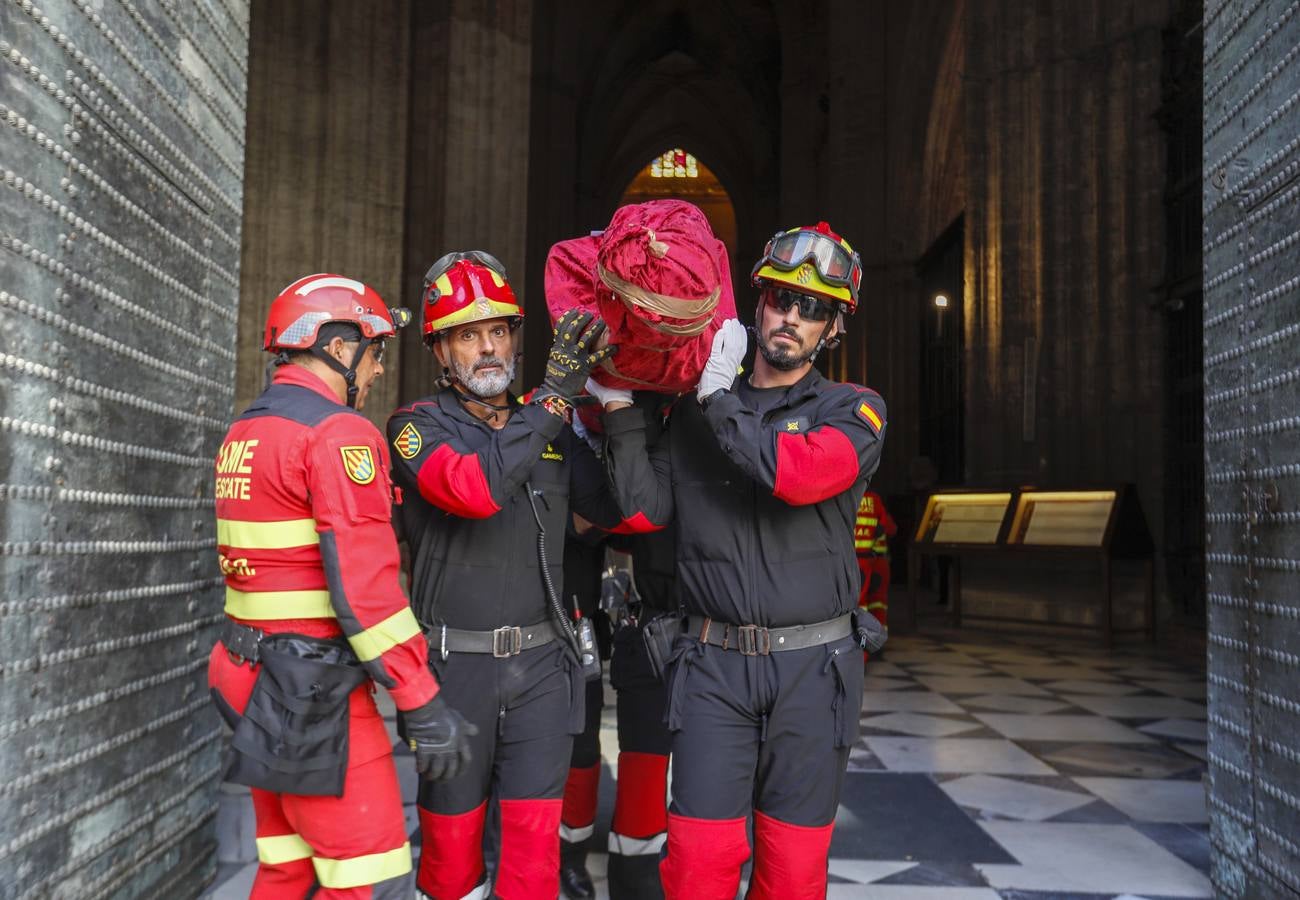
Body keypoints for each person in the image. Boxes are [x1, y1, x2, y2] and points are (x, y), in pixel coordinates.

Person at [589, 222, 887, 899]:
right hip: (712, 668)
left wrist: (718, 394)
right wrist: (618, 407)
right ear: (756, 304)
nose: (792, 317)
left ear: (832, 328)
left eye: (813, 308)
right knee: (697, 866)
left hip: (813, 674)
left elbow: (797, 475)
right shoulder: (693, 415)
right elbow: (643, 510)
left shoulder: (854, 411)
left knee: (791, 873)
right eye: (782, 298)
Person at [386, 252, 646, 900]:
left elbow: (625, 515)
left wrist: (617, 405)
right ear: (440, 351)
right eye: (467, 334)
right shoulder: (415, 428)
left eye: (498, 330)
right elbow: (475, 488)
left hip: (541, 676)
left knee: (532, 865)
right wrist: (553, 400)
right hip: (455, 676)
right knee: (450, 866)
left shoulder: (550, 424)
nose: (486, 346)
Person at [208, 274, 474, 899]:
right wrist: (421, 699)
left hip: (250, 675)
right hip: (310, 694)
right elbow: (368, 593)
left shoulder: (246, 431)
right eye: (375, 351)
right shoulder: (339, 434)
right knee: (370, 879)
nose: (379, 369)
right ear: (335, 345)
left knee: (286, 866)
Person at [854, 490, 897, 636]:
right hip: (876, 561)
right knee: (877, 602)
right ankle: (877, 640)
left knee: (859, 603)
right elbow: (890, 529)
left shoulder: (844, 498)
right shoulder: (875, 501)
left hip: (855, 562)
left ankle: (862, 646)